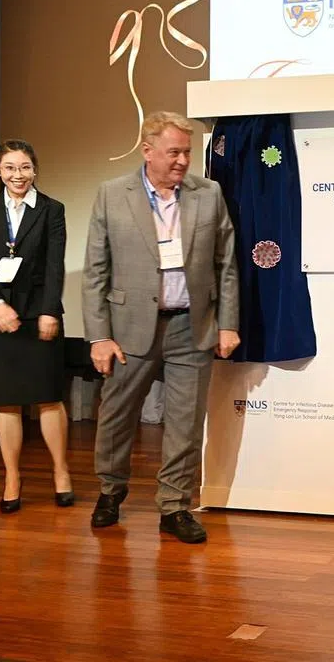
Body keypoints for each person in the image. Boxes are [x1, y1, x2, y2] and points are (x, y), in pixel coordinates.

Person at [82, 111, 240, 543]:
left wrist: (227, 323)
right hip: (129, 327)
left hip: (192, 325)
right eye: (174, 152)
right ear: (147, 150)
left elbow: (226, 265)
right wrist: (99, 335)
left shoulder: (208, 194)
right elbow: (96, 271)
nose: (183, 160)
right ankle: (110, 492)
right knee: (116, 416)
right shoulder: (113, 194)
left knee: (186, 422)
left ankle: (174, 507)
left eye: (188, 152)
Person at [0, 140, 74, 513]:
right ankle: (13, 477)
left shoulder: (51, 210)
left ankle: (61, 473)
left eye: (25, 167)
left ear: (34, 170)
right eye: (10, 168)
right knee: (5, 400)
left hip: (37, 314)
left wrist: (49, 312)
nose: (18, 175)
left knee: (48, 396)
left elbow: (55, 265)